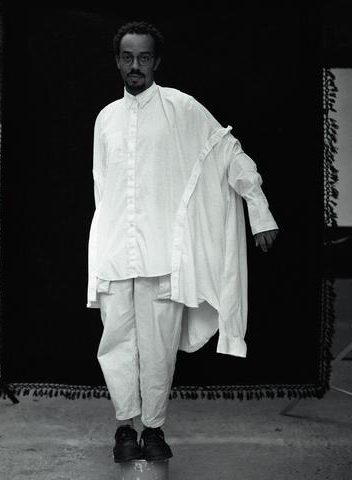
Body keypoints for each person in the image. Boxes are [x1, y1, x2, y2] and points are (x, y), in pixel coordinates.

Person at [86, 20, 279, 463]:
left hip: (162, 253)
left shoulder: (182, 107)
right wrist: (101, 245)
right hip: (114, 251)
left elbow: (227, 152)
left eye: (144, 57)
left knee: (157, 348)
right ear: (117, 61)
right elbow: (102, 185)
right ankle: (124, 428)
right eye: (128, 57)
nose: (135, 66)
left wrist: (259, 210)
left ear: (156, 61)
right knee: (115, 345)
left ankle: (153, 429)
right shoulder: (106, 118)